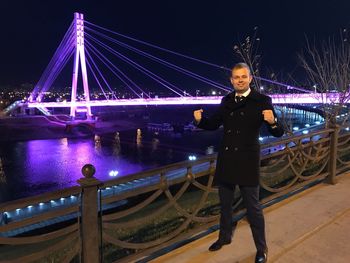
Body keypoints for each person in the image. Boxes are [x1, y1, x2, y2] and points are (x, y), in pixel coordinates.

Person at [193, 63, 283, 263]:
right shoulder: (226, 100)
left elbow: (278, 132)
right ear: (231, 80)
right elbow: (214, 123)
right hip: (227, 159)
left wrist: (273, 122)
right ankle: (224, 237)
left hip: (247, 161)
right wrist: (199, 121)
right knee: (225, 204)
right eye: (236, 77)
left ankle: (261, 248)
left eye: (243, 76)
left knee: (253, 208)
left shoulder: (262, 100)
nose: (240, 80)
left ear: (250, 79)